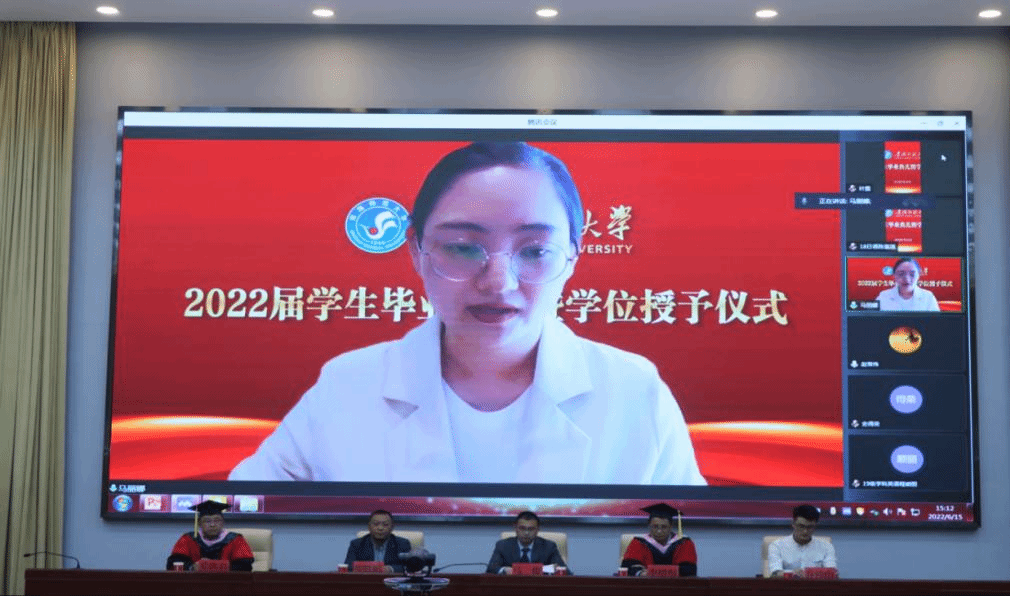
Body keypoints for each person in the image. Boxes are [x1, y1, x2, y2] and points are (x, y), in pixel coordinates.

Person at [229, 141, 705, 485]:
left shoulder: (633, 390)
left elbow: (693, 537)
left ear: (572, 258)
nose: (498, 282)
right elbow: (238, 512)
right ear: (416, 251)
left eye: (534, 251)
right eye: (462, 246)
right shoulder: (349, 385)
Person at [166, 500, 254, 571]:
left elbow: (245, 567)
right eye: (207, 521)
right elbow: (174, 563)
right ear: (199, 523)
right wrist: (192, 567)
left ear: (223, 522)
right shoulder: (188, 539)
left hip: (226, 585)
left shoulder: (236, 540)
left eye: (217, 520)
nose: (212, 525)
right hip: (195, 584)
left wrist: (207, 566)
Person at [621, 503, 697, 577]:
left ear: (671, 526)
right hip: (646, 584)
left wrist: (654, 572)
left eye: (664, 527)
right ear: (649, 525)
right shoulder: (638, 542)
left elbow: (689, 571)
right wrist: (640, 573)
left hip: (676, 585)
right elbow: (628, 567)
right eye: (655, 526)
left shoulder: (684, 543)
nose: (659, 531)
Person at [766, 504, 837, 577]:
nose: (805, 531)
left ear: (815, 526)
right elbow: (775, 573)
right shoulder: (777, 546)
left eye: (810, 527)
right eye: (801, 526)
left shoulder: (826, 547)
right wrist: (793, 573)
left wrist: (806, 573)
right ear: (793, 524)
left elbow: (832, 573)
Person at [486, 511, 568, 574]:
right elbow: (490, 569)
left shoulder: (548, 546)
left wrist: (547, 569)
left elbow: (565, 571)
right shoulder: (503, 545)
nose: (526, 533)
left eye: (531, 529)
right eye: (522, 528)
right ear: (515, 528)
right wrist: (504, 570)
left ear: (538, 529)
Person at [344, 509, 412, 573]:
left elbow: (409, 567)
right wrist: (371, 568)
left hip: (392, 581)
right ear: (369, 526)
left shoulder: (402, 544)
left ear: (392, 527)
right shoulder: (357, 544)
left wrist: (390, 569)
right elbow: (349, 566)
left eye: (385, 524)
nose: (380, 528)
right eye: (376, 524)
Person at [875, 258, 940, 311]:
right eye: (901, 274)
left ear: (919, 275)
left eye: (912, 274)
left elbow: (936, 321)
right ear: (894, 275)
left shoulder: (928, 297)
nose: (907, 279)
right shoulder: (884, 296)